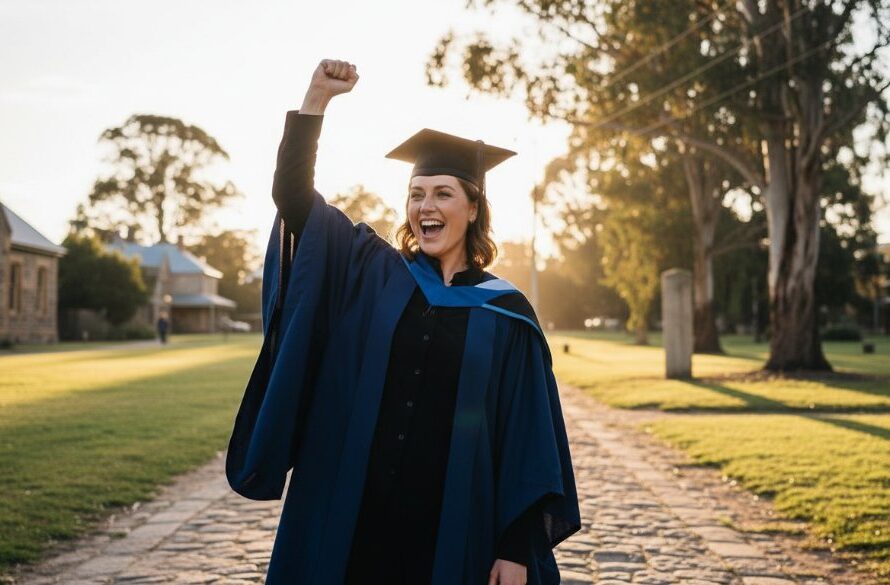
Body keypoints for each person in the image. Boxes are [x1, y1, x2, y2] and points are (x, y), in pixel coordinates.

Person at [225, 59, 580, 585]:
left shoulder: (507, 313)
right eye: (416, 194)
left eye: (443, 193)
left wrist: (516, 548)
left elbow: (527, 438)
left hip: (452, 525)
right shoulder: (373, 272)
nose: (425, 206)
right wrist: (315, 103)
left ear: (473, 208)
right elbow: (296, 204)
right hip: (354, 513)